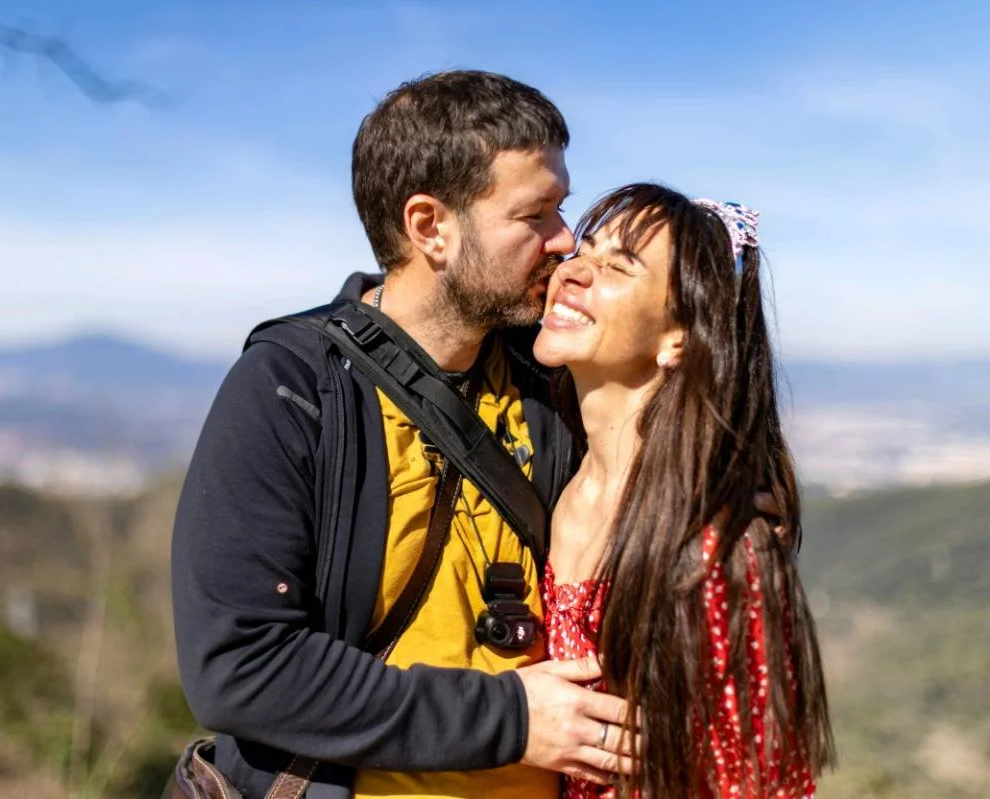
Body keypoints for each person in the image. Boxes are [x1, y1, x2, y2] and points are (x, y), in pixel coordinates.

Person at [171, 70, 634, 799]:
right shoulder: (291, 389)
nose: (564, 241)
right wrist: (509, 718)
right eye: (534, 214)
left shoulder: (550, 380)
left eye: (561, 209)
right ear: (430, 228)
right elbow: (241, 666)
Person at [534, 183, 835, 798]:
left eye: (618, 267)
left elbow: (760, 785)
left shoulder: (715, 547)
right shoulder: (556, 479)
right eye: (583, 252)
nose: (575, 274)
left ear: (680, 339)